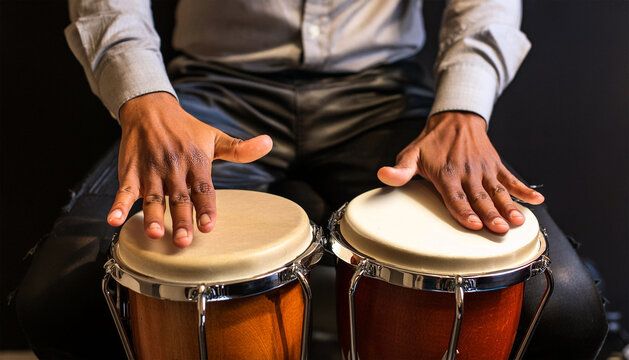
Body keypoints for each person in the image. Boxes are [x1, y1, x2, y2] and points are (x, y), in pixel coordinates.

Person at [16, 0, 607, 359]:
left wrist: (463, 109)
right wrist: (142, 98)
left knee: (564, 305)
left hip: (384, 97)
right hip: (211, 97)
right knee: (60, 295)